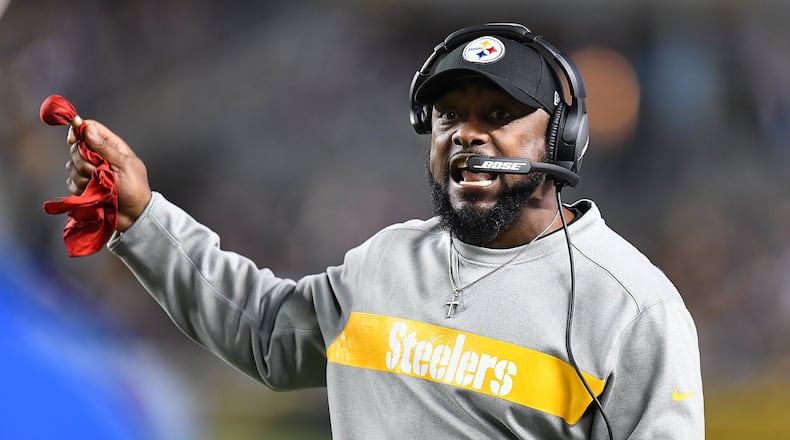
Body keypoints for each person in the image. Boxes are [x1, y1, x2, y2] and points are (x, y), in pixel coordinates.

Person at [62, 23, 704, 439]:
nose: (467, 134)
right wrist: (141, 217)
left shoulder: (631, 307)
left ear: (561, 137)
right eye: (450, 114)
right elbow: (262, 332)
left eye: (501, 115)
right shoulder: (384, 260)